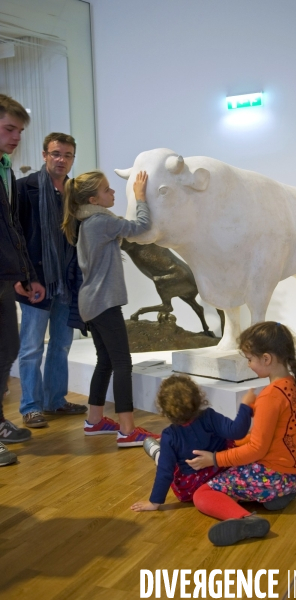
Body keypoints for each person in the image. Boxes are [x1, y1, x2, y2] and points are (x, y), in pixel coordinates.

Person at [187, 321, 296, 546]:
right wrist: (237, 442)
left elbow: (257, 450)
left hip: (274, 477)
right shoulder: (290, 385)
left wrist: (214, 459)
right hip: (295, 478)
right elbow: (270, 438)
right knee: (237, 461)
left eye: (249, 359)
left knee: (203, 494)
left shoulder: (270, 396)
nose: (249, 365)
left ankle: (245, 520)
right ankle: (277, 497)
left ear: (266, 359)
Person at [62, 169, 160, 447]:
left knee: (105, 361)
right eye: (107, 190)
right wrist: (141, 197)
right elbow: (140, 227)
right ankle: (128, 430)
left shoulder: (88, 222)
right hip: (104, 303)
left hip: (92, 302)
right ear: (94, 198)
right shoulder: (101, 221)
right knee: (122, 363)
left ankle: (95, 421)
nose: (113, 193)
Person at [16, 132, 87, 428]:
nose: (62, 160)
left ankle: (55, 400)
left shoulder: (75, 192)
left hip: (67, 283)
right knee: (32, 347)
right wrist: (22, 277)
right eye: (56, 153)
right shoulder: (24, 188)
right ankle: (31, 406)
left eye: (68, 155)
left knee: (61, 345)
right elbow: (15, 237)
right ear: (45, 155)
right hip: (36, 281)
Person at [130, 374, 253, 511]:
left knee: (169, 462)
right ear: (198, 398)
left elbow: (165, 472)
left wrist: (154, 502)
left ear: (165, 410)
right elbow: (237, 431)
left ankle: (159, 453)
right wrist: (245, 406)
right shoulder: (209, 416)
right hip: (222, 472)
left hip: (192, 487)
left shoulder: (169, 435)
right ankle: (159, 453)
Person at [0, 94, 46, 461]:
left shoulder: (6, 170)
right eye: (9, 129)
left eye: (20, 130)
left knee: (6, 349)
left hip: (4, 278)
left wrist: (24, 275)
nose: (16, 137)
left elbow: (13, 228)